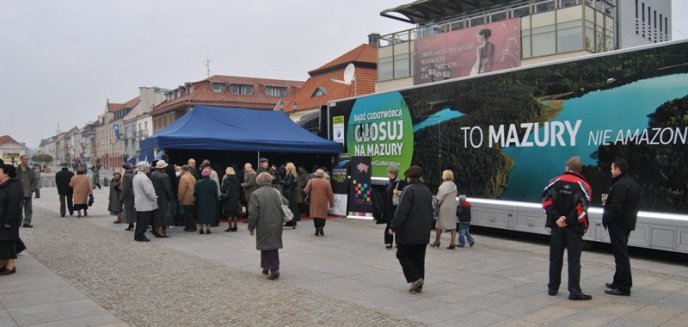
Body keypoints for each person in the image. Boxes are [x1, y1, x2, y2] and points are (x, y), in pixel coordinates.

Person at [542, 156, 593, 300]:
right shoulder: (584, 186)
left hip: (556, 227)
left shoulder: (554, 182)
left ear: (567, 167)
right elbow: (582, 209)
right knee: (574, 261)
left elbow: (546, 202)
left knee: (555, 258)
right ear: (579, 169)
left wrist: (558, 218)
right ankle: (574, 291)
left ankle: (552, 288)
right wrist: (568, 220)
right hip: (574, 229)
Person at [389, 165, 433, 293]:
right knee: (419, 258)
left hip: (409, 232)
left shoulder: (409, 190)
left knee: (402, 254)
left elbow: (402, 211)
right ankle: (418, 285)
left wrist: (393, 227)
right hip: (423, 232)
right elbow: (430, 211)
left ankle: (415, 278)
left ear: (409, 178)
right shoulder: (426, 190)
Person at [603, 158, 641, 297]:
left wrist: (608, 220)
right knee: (620, 254)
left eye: (612, 168)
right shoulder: (631, 182)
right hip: (627, 223)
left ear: (618, 169)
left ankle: (624, 286)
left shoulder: (620, 185)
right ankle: (617, 281)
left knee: (621, 255)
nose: (611, 170)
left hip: (618, 224)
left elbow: (615, 207)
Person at [248, 172, 287, 280]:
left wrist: (251, 227)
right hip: (277, 222)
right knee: (271, 244)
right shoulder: (276, 191)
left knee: (266, 245)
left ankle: (273, 269)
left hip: (263, 223)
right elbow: (286, 202)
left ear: (258, 181)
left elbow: (253, 213)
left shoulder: (255, 194)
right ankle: (266, 267)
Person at [0, 164, 23, 276]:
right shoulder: (4, 184)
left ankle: (10, 266)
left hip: (9, 220)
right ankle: (5, 264)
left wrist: (8, 221)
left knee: (8, 242)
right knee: (5, 242)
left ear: (6, 173)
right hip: (2, 219)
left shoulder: (14, 186)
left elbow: (13, 205)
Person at [432, 170, 458, 249]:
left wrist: (436, 204)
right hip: (453, 207)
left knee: (439, 224)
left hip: (444, 207)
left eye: (443, 175)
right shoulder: (454, 186)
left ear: (445, 176)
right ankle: (453, 242)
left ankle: (437, 241)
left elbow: (439, 198)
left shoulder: (443, 186)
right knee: (452, 225)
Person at [303, 169, 334, 236]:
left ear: (316, 174)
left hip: (314, 201)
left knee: (315, 214)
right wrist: (331, 203)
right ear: (323, 175)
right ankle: (322, 227)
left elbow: (306, 190)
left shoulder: (311, 181)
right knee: (323, 215)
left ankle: (317, 228)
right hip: (323, 201)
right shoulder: (326, 182)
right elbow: (330, 194)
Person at [132, 162, 157, 242]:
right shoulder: (144, 178)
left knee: (140, 220)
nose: (148, 169)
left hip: (139, 201)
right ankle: (140, 236)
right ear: (144, 168)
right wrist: (154, 198)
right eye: (147, 167)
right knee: (144, 221)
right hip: (145, 202)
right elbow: (149, 191)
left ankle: (137, 235)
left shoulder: (136, 176)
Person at [383, 165, 406, 249]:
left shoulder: (401, 182)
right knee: (389, 224)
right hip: (389, 208)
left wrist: (397, 192)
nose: (387, 174)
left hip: (397, 207)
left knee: (398, 225)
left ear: (392, 174)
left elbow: (405, 193)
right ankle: (388, 242)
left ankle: (398, 242)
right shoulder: (388, 182)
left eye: (388, 172)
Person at [150, 160, 173, 238]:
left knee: (156, 214)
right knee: (163, 214)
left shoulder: (152, 174)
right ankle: (160, 231)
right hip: (163, 198)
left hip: (154, 197)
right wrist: (170, 197)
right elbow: (167, 189)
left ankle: (156, 229)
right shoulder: (165, 176)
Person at [195, 167, 218, 234]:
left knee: (201, 215)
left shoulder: (198, 183)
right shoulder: (213, 183)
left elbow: (195, 193)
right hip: (210, 201)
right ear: (209, 175)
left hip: (201, 202)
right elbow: (215, 193)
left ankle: (201, 229)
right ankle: (208, 229)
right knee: (209, 214)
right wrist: (217, 201)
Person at [16, 155, 36, 227]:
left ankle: (27, 222)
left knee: (29, 208)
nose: (26, 161)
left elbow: (34, 180)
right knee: (18, 208)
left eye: (27, 159)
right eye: (25, 159)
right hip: (18, 193)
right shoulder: (16, 170)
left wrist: (32, 189)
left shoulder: (30, 170)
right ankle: (18, 221)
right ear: (21, 159)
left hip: (28, 192)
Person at [220, 167, 240, 232]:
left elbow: (223, 190)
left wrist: (222, 183)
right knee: (235, 213)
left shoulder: (226, 180)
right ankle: (235, 226)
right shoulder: (237, 179)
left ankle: (230, 227)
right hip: (235, 198)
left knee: (229, 213)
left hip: (228, 199)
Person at [178, 165, 197, 232]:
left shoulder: (183, 178)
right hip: (193, 197)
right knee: (190, 212)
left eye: (180, 170)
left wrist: (179, 198)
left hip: (186, 198)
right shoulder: (192, 177)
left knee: (187, 213)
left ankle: (191, 226)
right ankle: (189, 226)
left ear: (183, 170)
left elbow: (181, 190)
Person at [281, 162, 300, 228]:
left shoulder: (291, 175)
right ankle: (290, 222)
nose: (285, 167)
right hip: (289, 193)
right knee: (290, 207)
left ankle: (292, 221)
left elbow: (288, 184)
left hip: (289, 193)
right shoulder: (290, 174)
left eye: (286, 166)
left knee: (290, 207)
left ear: (289, 167)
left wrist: (280, 181)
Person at [119, 164, 136, 231]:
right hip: (134, 194)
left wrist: (121, 198)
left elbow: (125, 188)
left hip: (129, 195)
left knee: (129, 210)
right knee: (133, 210)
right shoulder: (134, 175)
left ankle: (130, 223)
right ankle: (131, 223)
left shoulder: (126, 176)